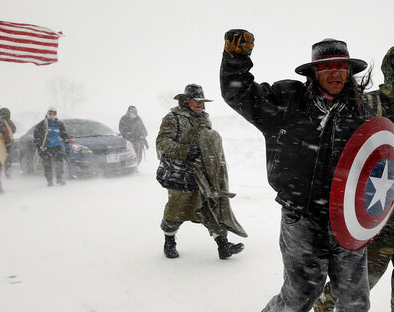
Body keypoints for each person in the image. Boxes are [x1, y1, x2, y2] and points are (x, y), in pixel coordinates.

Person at [220, 30, 373, 311]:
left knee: (355, 302)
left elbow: (376, 162)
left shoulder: (362, 113)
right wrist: (235, 59)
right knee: (299, 297)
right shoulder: (287, 101)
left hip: (348, 219)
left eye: (341, 66)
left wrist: (370, 214)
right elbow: (239, 93)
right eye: (327, 66)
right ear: (314, 72)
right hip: (301, 218)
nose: (336, 73)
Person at [314, 45, 394, 312]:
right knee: (346, 292)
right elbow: (343, 155)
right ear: (390, 70)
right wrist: (392, 144)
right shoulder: (368, 104)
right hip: (372, 223)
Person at [157, 84, 247, 260]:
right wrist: (186, 151)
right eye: (196, 101)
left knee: (210, 207)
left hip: (203, 174)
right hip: (180, 174)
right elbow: (162, 143)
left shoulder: (204, 119)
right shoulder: (173, 118)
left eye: (202, 101)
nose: (200, 105)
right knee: (177, 210)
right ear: (186, 101)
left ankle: (223, 246)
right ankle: (169, 242)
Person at [33, 107, 68, 186]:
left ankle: (60, 179)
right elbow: (36, 136)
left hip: (56, 146)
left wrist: (66, 140)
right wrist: (39, 147)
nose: (52, 114)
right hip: (46, 147)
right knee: (47, 165)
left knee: (59, 163)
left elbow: (63, 134)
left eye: (54, 113)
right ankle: (49, 181)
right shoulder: (42, 124)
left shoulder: (59, 123)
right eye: (50, 112)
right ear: (47, 113)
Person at [0, 107, 17, 178]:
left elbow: (14, 129)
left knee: (4, 159)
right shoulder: (3, 121)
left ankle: (4, 172)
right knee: (6, 159)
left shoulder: (7, 122)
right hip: (3, 143)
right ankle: (5, 172)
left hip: (5, 143)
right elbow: (14, 129)